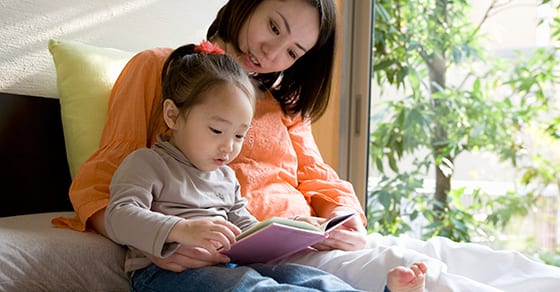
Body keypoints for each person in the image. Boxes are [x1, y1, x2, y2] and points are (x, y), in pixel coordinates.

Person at [52, 0, 560, 291]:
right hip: (249, 257)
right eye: (273, 26)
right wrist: (165, 236)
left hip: (302, 239)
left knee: (443, 252)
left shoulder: (283, 104)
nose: (272, 54)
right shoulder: (160, 69)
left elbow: (318, 177)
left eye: (293, 51)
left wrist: (343, 222)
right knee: (434, 278)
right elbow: (104, 181)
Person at [104, 41, 426, 292]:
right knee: (254, 288)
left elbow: (244, 224)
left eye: (239, 135)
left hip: (224, 269)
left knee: (303, 276)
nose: (228, 146)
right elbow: (118, 216)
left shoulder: (225, 177)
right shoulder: (148, 163)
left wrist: (293, 231)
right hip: (163, 278)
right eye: (217, 130)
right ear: (173, 115)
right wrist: (180, 230)